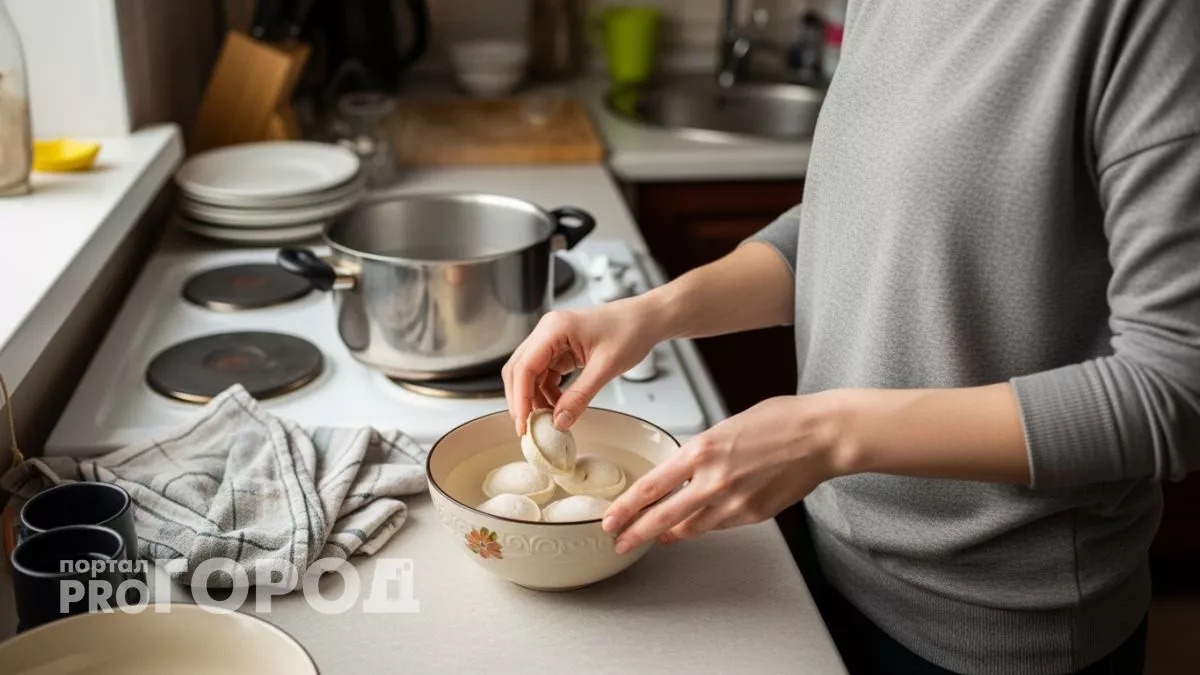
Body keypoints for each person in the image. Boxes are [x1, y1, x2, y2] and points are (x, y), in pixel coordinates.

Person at [502, 1, 1200, 674]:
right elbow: (855, 222)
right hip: (822, 567)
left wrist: (825, 436)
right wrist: (654, 312)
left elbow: (1173, 389)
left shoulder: (1145, 18)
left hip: (997, 623)